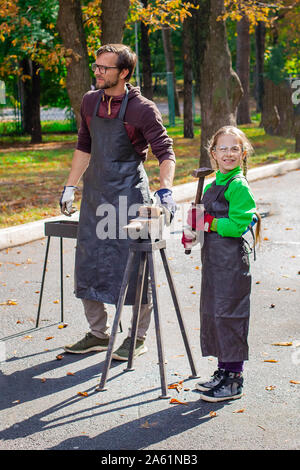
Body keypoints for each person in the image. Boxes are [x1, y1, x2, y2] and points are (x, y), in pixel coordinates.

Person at [60, 44, 176, 361]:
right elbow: (84, 144)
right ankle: (99, 333)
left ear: (123, 72)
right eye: (96, 66)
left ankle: (136, 338)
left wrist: (166, 190)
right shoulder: (89, 101)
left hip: (129, 195)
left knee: (134, 266)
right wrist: (70, 186)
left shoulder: (142, 109)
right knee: (90, 261)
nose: (97, 72)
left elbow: (165, 152)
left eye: (104, 68)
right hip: (96, 193)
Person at [182, 125, 261, 402]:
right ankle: (223, 371)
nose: (228, 154)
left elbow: (240, 224)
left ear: (243, 153)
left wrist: (209, 222)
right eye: (223, 149)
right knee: (216, 314)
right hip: (214, 261)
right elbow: (203, 218)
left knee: (231, 315)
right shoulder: (217, 181)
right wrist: (192, 230)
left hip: (231, 263)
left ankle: (235, 379)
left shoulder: (238, 185)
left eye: (234, 149)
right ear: (213, 154)